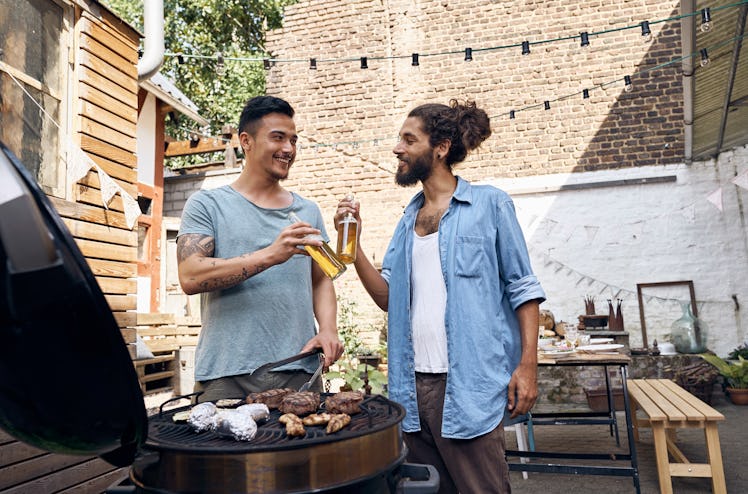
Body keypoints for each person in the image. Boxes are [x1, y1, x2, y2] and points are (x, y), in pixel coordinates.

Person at [334, 100, 545, 494]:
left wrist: (527, 366)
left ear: (441, 148)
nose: (398, 148)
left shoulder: (489, 204)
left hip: (468, 386)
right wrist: (356, 244)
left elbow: (523, 288)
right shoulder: (406, 220)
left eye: (409, 139)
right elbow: (387, 298)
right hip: (411, 389)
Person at [177, 95, 343, 402]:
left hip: (299, 370)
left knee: (305, 450)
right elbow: (190, 276)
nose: (289, 149)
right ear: (246, 141)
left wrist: (329, 329)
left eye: (293, 140)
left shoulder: (308, 211)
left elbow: (321, 279)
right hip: (226, 375)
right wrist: (270, 255)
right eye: (278, 138)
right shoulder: (208, 204)